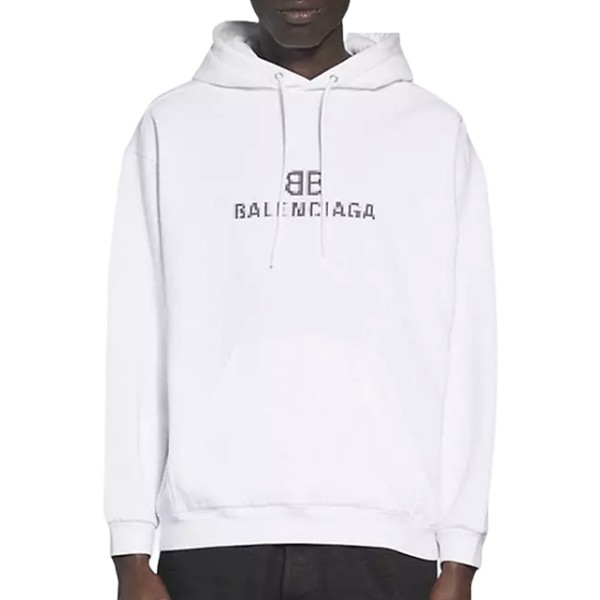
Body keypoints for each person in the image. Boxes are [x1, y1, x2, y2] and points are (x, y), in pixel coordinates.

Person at [103, 1, 497, 599]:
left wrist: (462, 552)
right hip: (209, 541)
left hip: (388, 542)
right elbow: (138, 333)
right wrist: (129, 548)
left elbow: (470, 342)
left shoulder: (433, 130)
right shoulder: (174, 124)